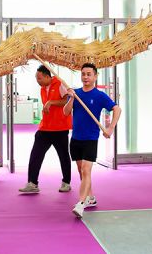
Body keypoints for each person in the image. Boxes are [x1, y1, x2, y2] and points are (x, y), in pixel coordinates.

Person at [63, 63, 121, 218]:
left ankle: (81, 203)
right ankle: (91, 197)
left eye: (89, 74)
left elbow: (117, 109)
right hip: (76, 138)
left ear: (95, 76)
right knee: (81, 170)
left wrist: (110, 128)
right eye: (83, 74)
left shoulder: (99, 95)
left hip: (91, 138)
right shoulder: (75, 93)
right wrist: (71, 98)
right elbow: (66, 112)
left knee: (85, 170)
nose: (85, 77)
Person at [19, 65, 72, 193]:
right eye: (36, 78)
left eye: (39, 78)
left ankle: (66, 183)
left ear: (48, 77)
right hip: (45, 128)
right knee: (35, 155)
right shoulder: (42, 88)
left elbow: (67, 100)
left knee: (64, 156)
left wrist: (51, 102)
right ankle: (32, 183)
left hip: (60, 128)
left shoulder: (60, 83)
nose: (37, 81)